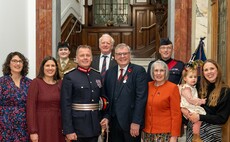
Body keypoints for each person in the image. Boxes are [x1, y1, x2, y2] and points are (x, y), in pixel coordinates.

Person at [100, 43, 148, 142]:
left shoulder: (138, 71)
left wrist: (136, 121)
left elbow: (141, 98)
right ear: (115, 56)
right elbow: (107, 97)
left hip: (131, 124)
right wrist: (106, 116)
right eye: (119, 54)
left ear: (130, 55)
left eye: (125, 53)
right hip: (113, 125)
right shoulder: (109, 72)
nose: (122, 56)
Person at [61, 45, 106, 142]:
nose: (85, 58)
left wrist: (105, 117)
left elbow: (103, 100)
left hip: (94, 125)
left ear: (91, 58)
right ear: (76, 59)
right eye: (82, 55)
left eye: (88, 55)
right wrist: (68, 130)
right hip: (77, 128)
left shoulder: (97, 75)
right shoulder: (70, 76)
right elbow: (65, 105)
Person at [182, 59, 230, 142]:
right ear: (203, 73)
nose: (209, 72)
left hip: (211, 132)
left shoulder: (225, 91)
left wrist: (200, 117)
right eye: (206, 70)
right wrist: (186, 114)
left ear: (217, 70)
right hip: (193, 130)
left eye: (212, 68)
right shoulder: (197, 86)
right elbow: (183, 95)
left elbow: (222, 118)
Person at [26, 56, 65, 142]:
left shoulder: (61, 83)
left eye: (53, 65)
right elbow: (30, 108)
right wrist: (33, 131)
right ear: (42, 67)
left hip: (57, 125)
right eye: (47, 65)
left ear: (56, 68)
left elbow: (65, 106)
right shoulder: (36, 82)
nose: (50, 68)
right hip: (41, 125)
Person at [143, 60, 182, 142]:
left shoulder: (173, 88)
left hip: (165, 134)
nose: (158, 73)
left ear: (166, 72)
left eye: (161, 71)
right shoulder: (147, 86)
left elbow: (176, 114)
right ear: (152, 72)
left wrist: (174, 136)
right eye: (156, 70)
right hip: (147, 133)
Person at [0, 52, 31, 141]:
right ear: (9, 64)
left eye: (20, 61)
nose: (17, 64)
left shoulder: (30, 83)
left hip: (24, 125)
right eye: (14, 61)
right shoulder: (2, 82)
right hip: (4, 125)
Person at [179, 64, 206, 142]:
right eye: (190, 77)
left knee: (198, 120)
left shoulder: (191, 87)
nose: (193, 79)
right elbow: (190, 99)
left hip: (190, 106)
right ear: (185, 78)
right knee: (198, 119)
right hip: (187, 106)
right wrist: (201, 101)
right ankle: (195, 136)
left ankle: (196, 134)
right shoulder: (186, 88)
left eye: (195, 77)